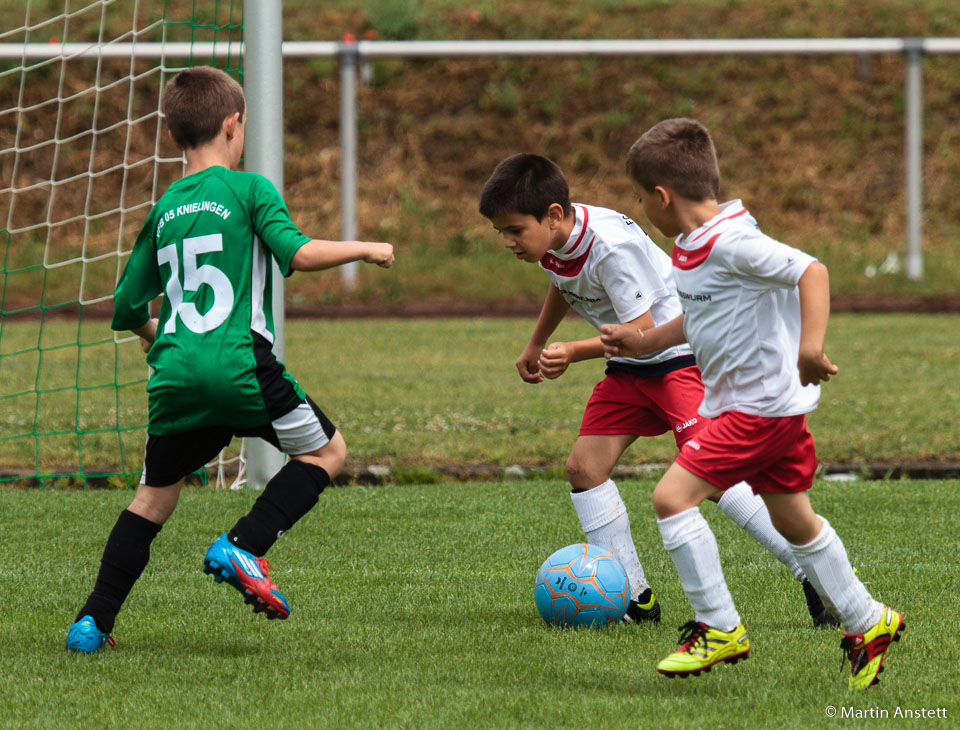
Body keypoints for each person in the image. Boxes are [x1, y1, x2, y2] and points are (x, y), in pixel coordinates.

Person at [65, 66, 394, 654]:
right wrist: (366, 248)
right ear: (233, 124)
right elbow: (298, 251)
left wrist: (153, 333)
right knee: (327, 451)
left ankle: (92, 623)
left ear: (174, 136)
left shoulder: (164, 208)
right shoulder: (249, 189)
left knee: (152, 499)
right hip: (239, 367)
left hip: (176, 376)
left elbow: (123, 304)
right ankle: (247, 542)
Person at [600, 118, 903, 690]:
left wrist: (810, 348)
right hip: (766, 410)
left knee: (671, 498)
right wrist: (644, 340)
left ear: (662, 197)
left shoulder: (734, 241)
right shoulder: (694, 246)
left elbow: (811, 270)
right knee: (795, 522)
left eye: (640, 199)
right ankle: (870, 620)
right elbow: (701, 317)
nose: (640, 208)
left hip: (758, 409)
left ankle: (719, 627)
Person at [478, 153, 836, 628]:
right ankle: (632, 598)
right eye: (501, 232)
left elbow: (642, 327)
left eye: (514, 231)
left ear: (553, 216)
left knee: (713, 475)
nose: (507, 241)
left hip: (676, 360)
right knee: (584, 468)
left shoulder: (611, 246)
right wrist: (537, 341)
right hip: (631, 368)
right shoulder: (551, 238)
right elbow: (564, 283)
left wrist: (572, 351)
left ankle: (809, 573)